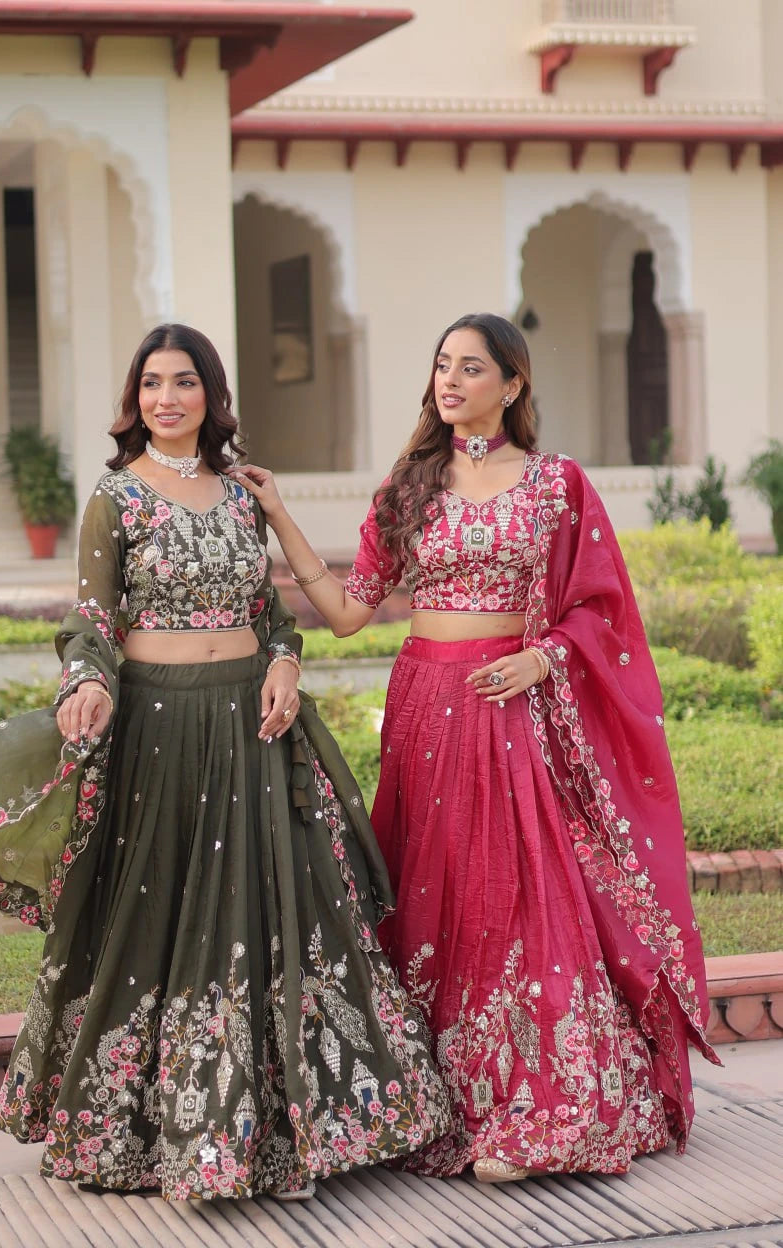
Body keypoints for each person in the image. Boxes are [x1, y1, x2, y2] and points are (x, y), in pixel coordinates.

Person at [0, 323, 450, 1201]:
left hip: (250, 726)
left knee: (264, 916)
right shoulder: (115, 497)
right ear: (134, 400)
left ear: (211, 394)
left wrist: (283, 664)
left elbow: (273, 613)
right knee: (158, 915)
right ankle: (158, 1132)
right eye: (150, 384)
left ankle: (274, 1133)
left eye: (182, 382)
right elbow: (93, 618)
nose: (165, 398)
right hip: (160, 729)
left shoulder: (243, 495)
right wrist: (85, 682)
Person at [233, 312, 719, 1184]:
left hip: (512, 709)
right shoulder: (410, 485)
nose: (449, 381)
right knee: (434, 892)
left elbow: (602, 609)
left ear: (513, 382)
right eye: (441, 366)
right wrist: (278, 516)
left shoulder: (556, 484)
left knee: (521, 896)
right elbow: (346, 613)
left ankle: (537, 1109)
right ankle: (434, 1102)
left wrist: (543, 656)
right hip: (425, 709)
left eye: (469, 367)